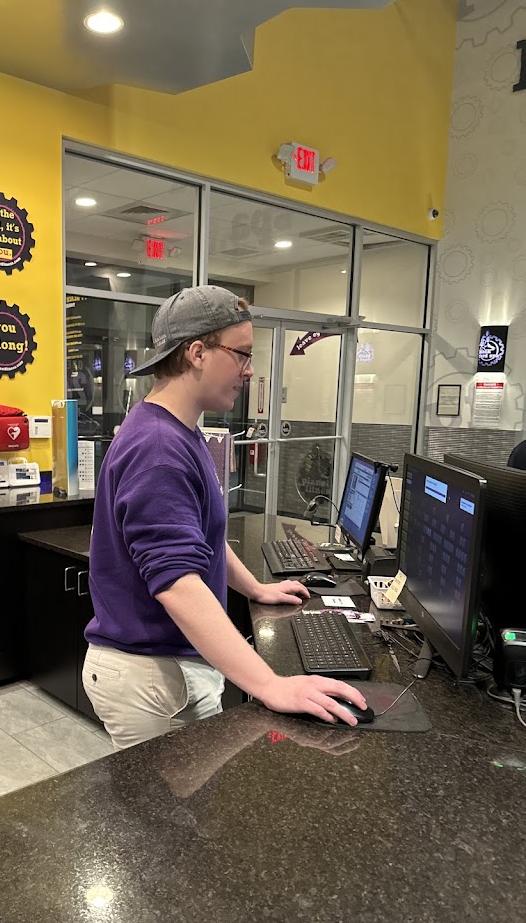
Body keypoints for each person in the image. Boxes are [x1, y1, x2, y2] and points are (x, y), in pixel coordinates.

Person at [82, 285, 367, 749]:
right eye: (242, 354)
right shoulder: (159, 448)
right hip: (154, 677)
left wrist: (255, 589)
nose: (249, 370)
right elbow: (178, 584)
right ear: (197, 353)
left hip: (168, 667)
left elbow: (200, 540)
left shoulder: (180, 431)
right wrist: (270, 684)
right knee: (168, 802)